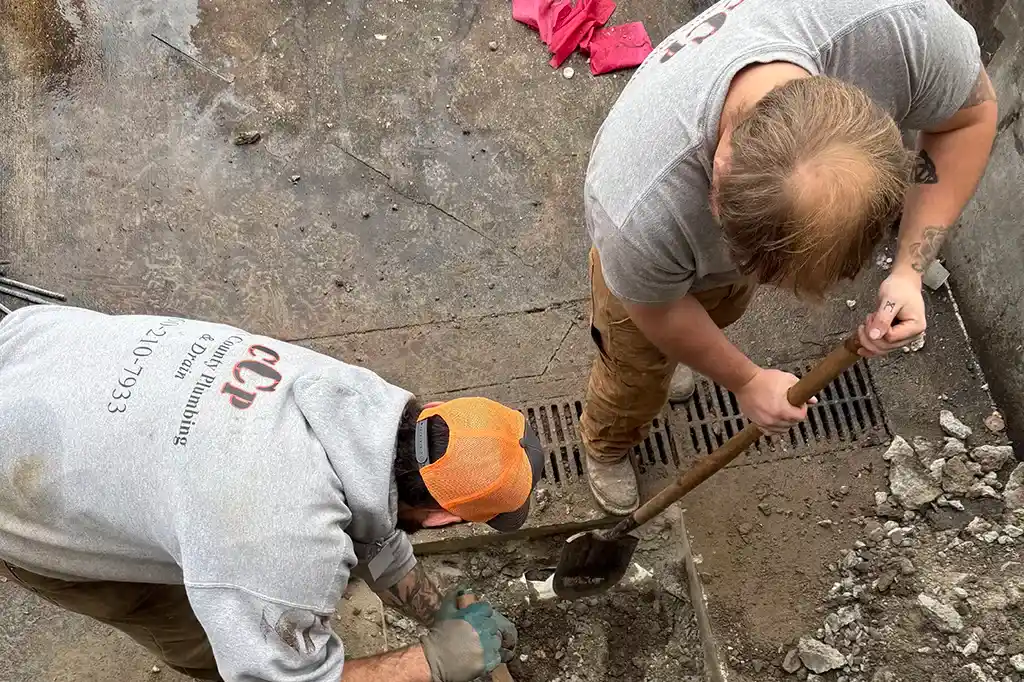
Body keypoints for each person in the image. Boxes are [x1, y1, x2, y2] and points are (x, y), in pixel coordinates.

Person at [580, 0, 998, 514]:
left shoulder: (904, 30)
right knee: (636, 368)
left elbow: (970, 118)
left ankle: (688, 351)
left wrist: (910, 270)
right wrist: (746, 380)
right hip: (646, 286)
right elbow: (657, 309)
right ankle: (606, 443)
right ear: (719, 166)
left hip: (690, 264)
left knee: (713, 311)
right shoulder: (638, 206)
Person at [0, 305, 544, 682]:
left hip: (40, 348)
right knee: (197, 629)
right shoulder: (276, 542)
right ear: (447, 518)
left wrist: (437, 611)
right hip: (24, 490)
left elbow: (378, 518)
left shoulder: (358, 400)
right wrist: (432, 663)